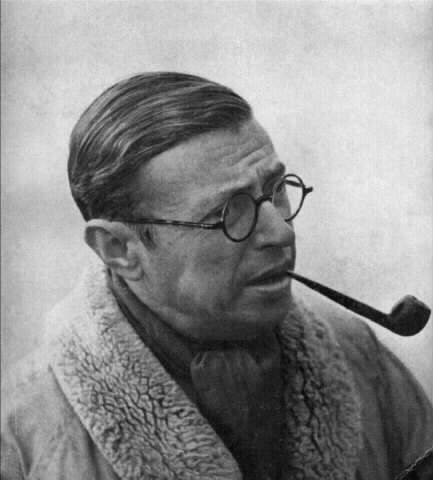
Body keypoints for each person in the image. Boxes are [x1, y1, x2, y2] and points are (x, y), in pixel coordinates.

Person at [1, 72, 432, 480]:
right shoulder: (22, 434)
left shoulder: (359, 356)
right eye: (229, 212)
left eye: (276, 190)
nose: (281, 232)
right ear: (119, 249)